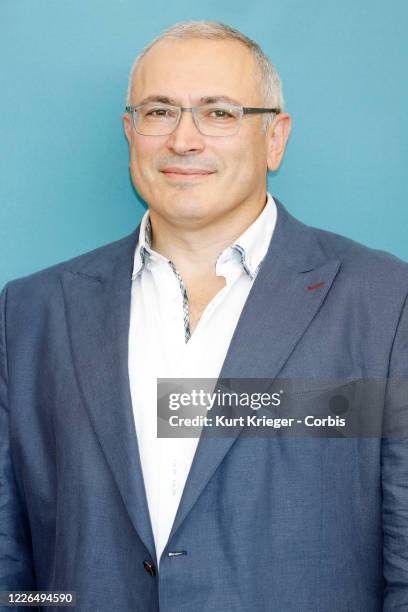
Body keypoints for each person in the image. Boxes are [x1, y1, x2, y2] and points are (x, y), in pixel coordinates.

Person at [1, 19, 408, 612]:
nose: (183, 140)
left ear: (275, 138)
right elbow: (13, 567)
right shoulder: (29, 313)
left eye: (218, 113)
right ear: (130, 131)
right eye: (159, 111)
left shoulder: (383, 302)